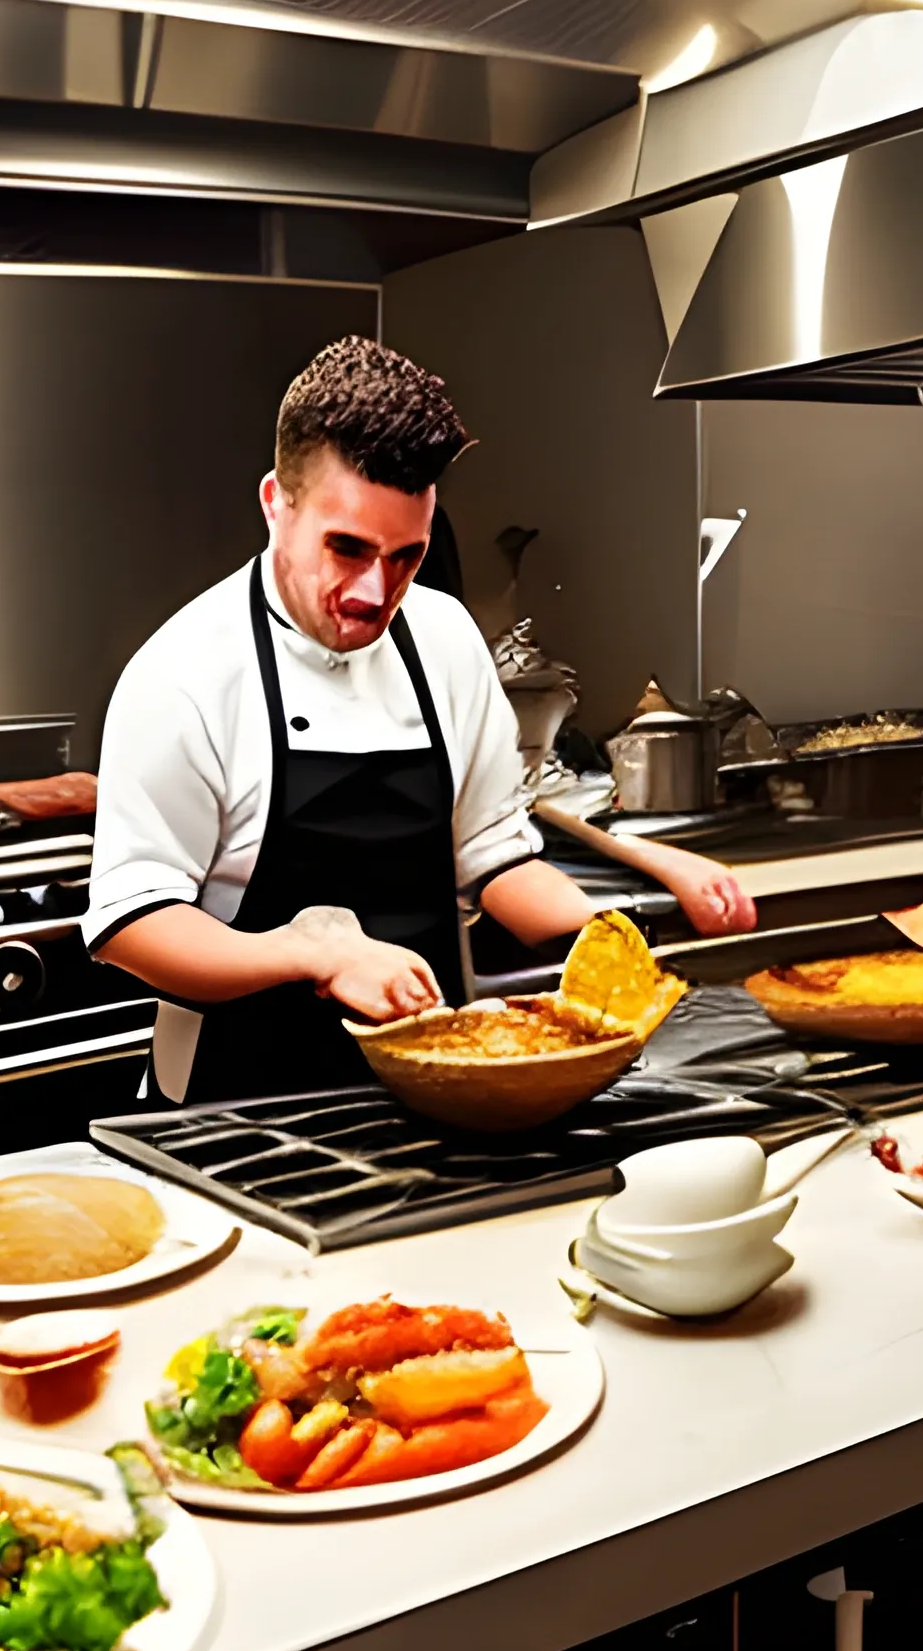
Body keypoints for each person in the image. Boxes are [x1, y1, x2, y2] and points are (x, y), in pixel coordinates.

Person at [86, 334, 753, 1104]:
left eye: (406, 556)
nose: (375, 591)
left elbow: (493, 858)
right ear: (277, 505)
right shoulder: (186, 673)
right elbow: (134, 923)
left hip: (441, 1095)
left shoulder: (443, 640)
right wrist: (310, 954)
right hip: (239, 1108)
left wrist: (611, 935)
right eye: (347, 549)